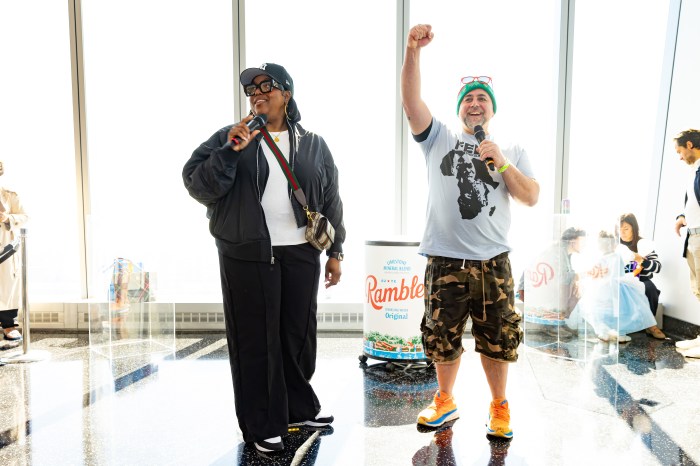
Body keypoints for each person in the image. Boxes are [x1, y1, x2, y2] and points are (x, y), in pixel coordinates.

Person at [182, 63, 345, 453]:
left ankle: (296, 409)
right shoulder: (230, 136)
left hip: (302, 251)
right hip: (247, 253)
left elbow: (332, 198)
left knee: (296, 335)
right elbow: (197, 184)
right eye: (250, 89)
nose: (256, 93)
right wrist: (229, 151)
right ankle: (260, 424)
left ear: (286, 94)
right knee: (255, 340)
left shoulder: (314, 143)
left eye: (265, 87)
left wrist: (336, 251)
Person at [401, 24, 540, 439]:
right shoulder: (438, 137)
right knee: (441, 336)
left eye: (482, 98)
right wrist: (413, 51)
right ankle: (445, 400)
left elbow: (531, 196)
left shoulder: (511, 148)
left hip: (493, 262)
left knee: (499, 339)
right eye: (469, 98)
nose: (475, 103)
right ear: (460, 108)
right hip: (444, 258)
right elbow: (411, 104)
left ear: (491, 109)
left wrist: (501, 163)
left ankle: (499, 406)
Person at [580, 231, 658, 343]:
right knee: (621, 312)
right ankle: (620, 334)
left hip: (601, 289)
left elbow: (597, 274)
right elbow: (619, 273)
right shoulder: (616, 256)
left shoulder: (600, 258)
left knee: (603, 312)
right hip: (615, 288)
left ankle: (603, 332)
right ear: (613, 244)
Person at [673, 129, 700, 355]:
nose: (680, 157)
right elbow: (693, 203)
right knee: (698, 289)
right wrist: (682, 217)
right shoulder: (694, 171)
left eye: (680, 151)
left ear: (690, 145)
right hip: (693, 236)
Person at [618, 213, 665, 339]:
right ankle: (619, 326)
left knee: (650, 288)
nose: (622, 232)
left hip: (641, 279)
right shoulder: (616, 245)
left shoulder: (643, 244)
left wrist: (641, 260)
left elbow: (657, 267)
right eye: (620, 228)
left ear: (634, 228)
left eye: (626, 228)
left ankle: (650, 325)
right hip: (621, 280)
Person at [0, 160, 29, 342]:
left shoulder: (10, 195)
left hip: (5, 245)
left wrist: (7, 217)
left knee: (6, 286)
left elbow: (25, 216)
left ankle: (8, 326)